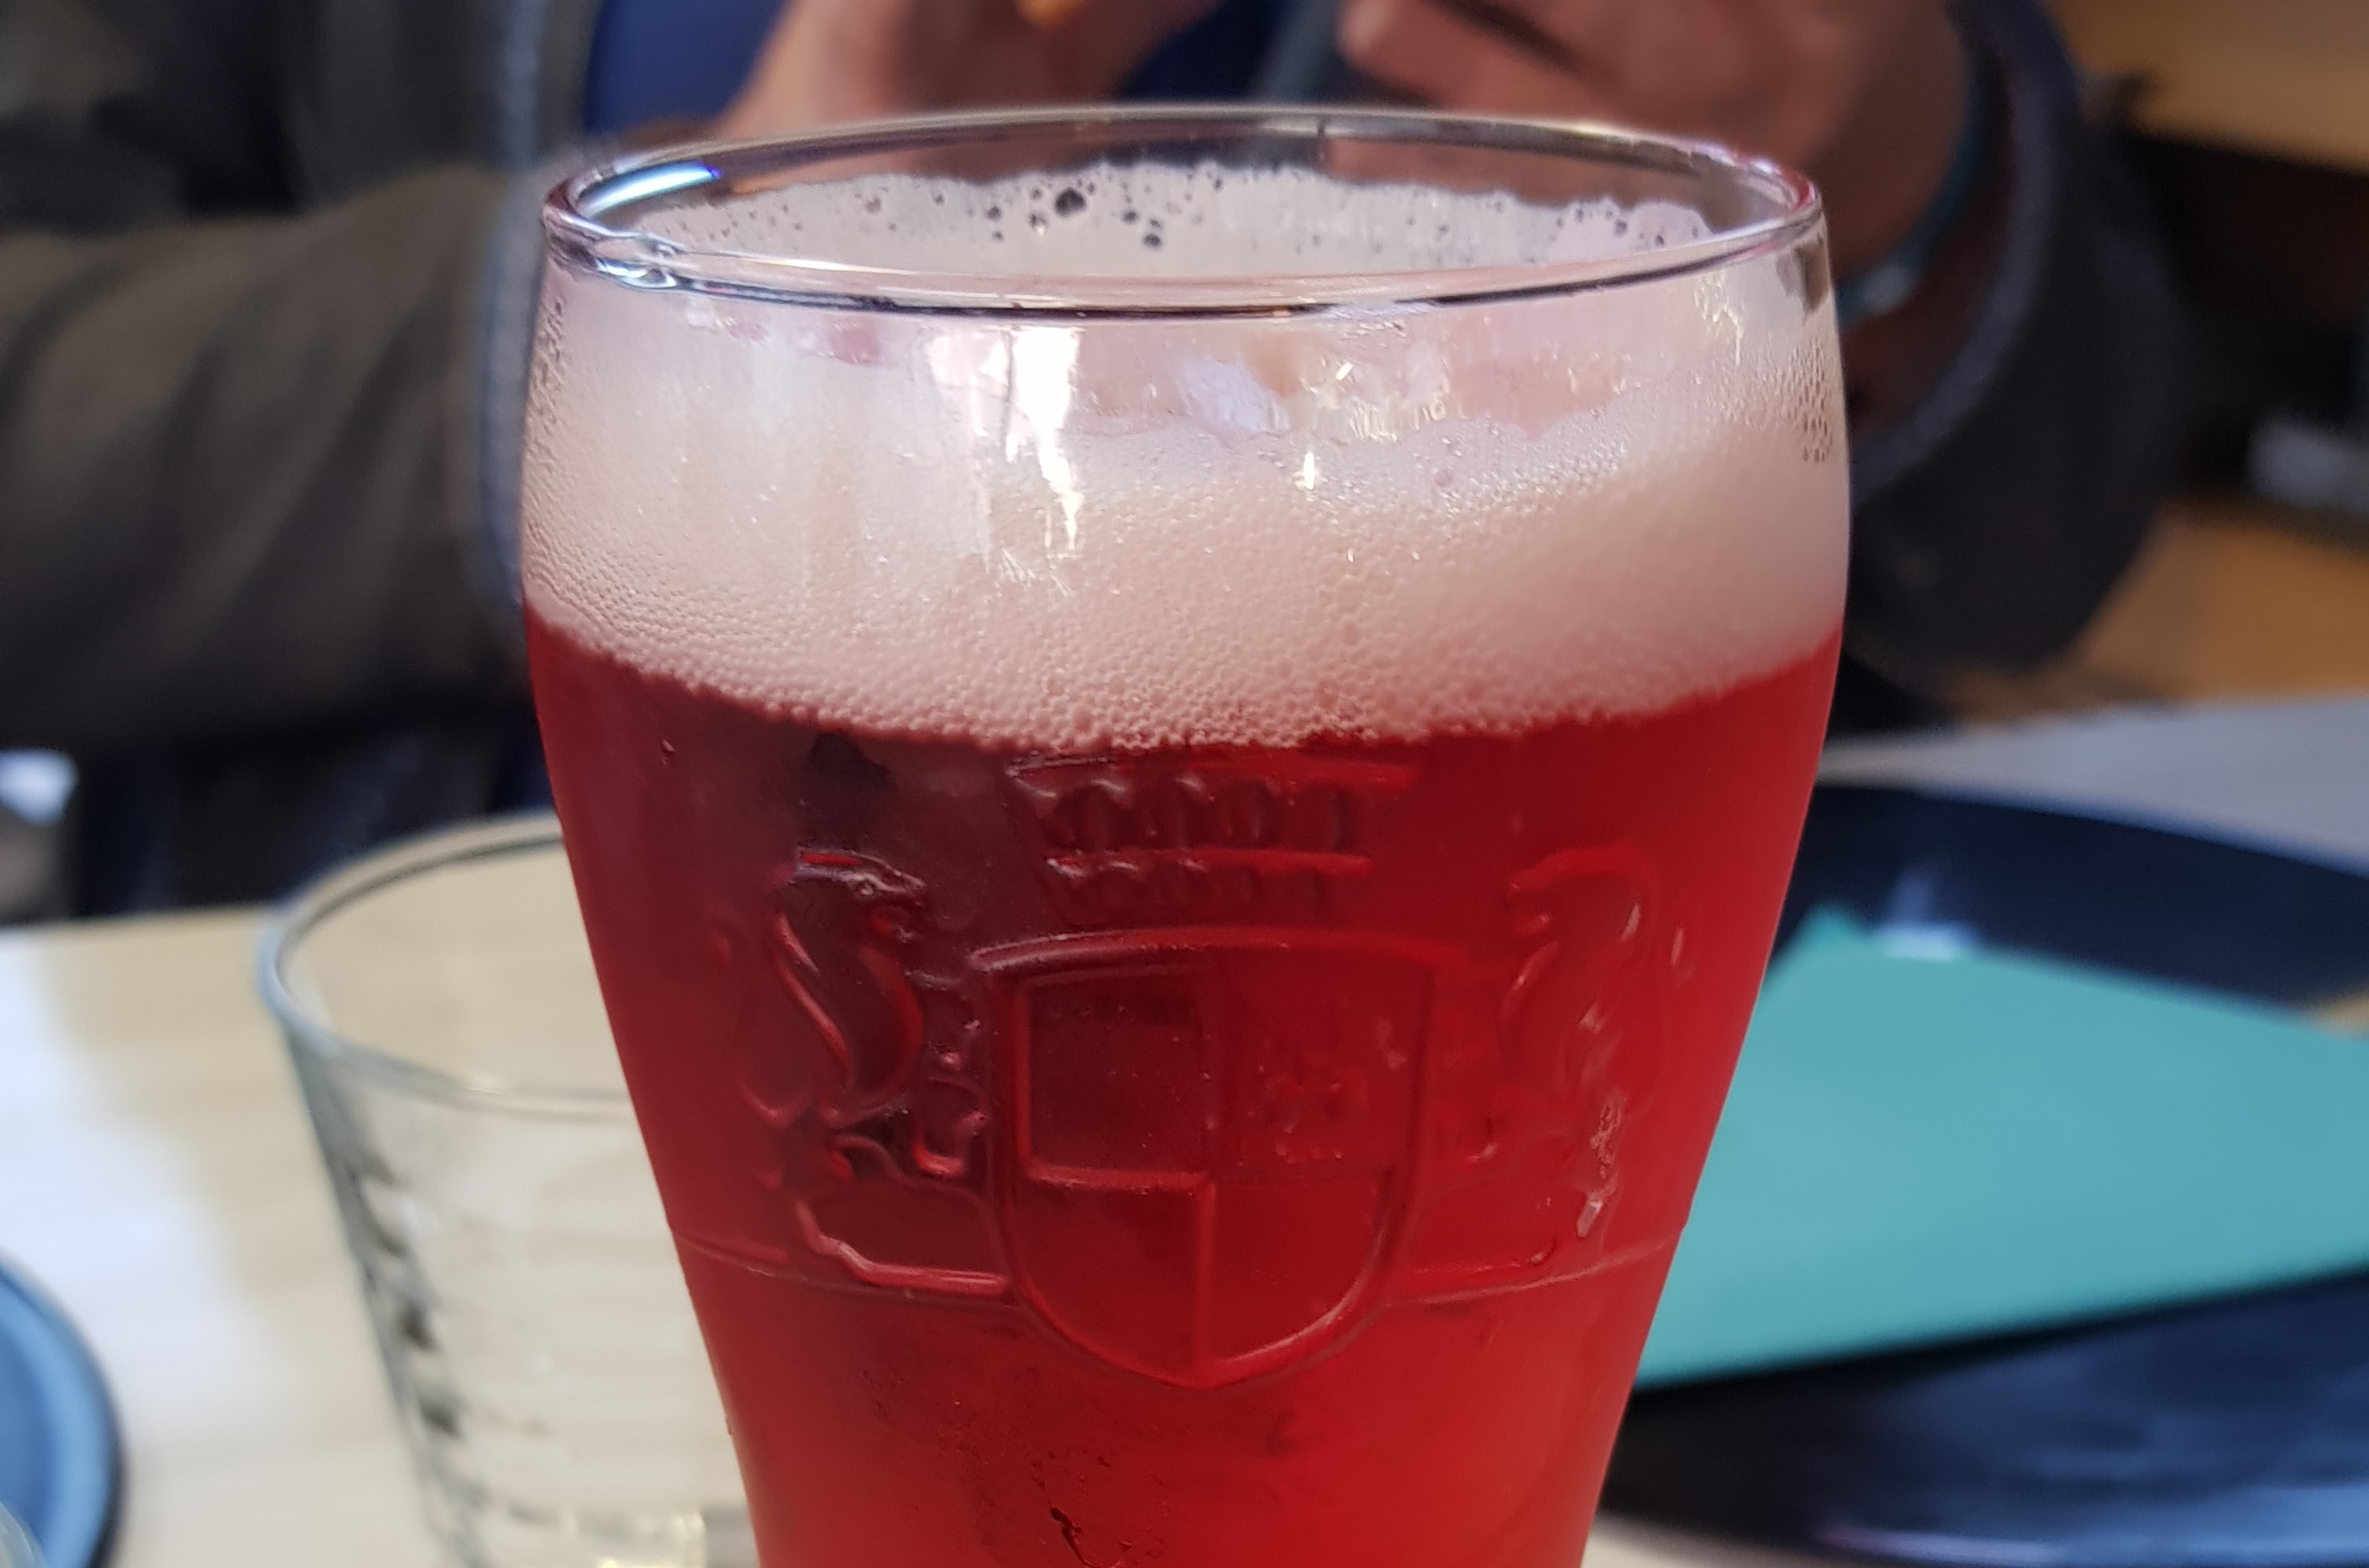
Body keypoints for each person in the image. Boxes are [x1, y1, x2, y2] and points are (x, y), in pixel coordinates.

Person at [0, 0, 2180, 913]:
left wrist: (1919, 182)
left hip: (1562, 1154)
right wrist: (693, 311)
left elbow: (2069, 514)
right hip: (421, 1092)